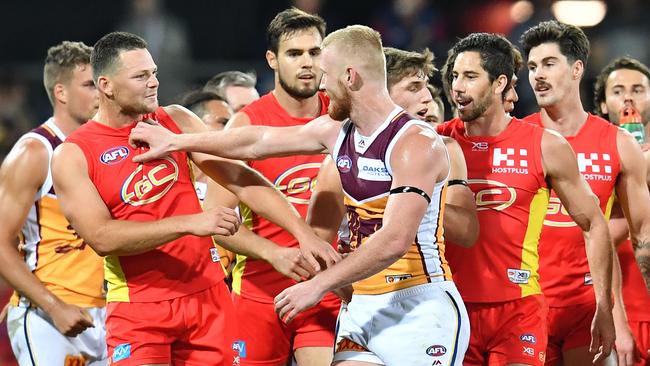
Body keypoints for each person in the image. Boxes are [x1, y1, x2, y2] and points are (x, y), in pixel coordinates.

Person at [130, 24, 471, 366]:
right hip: (361, 305)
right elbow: (256, 141)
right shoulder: (335, 131)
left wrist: (318, 284)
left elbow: (395, 239)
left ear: (350, 77)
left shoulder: (414, 143)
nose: (321, 85)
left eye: (327, 74)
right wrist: (177, 141)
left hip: (418, 306)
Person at [51, 31, 337, 366]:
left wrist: (301, 232)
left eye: (154, 72)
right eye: (140, 76)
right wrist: (191, 223)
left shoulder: (176, 120)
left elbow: (241, 178)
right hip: (140, 310)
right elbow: (101, 237)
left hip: (209, 297)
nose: (154, 82)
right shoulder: (74, 154)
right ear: (106, 85)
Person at [436, 32, 616, 365]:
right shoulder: (434, 142)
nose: (457, 87)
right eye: (454, 76)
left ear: (499, 82)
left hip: (518, 310)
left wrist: (604, 307)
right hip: (449, 306)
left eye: (470, 76)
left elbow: (593, 222)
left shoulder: (545, 145)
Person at [202, 9, 342, 366]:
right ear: (272, 60)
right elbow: (216, 220)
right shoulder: (248, 124)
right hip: (259, 294)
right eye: (294, 54)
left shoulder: (344, 118)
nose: (307, 63)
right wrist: (274, 253)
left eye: (314, 52)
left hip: (328, 290)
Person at [520, 21, 648, 366]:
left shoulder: (619, 144)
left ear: (577, 69)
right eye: (532, 67)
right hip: (523, 306)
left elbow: (642, 239)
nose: (537, 76)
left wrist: (615, 312)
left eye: (549, 64)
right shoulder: (515, 138)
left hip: (588, 308)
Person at [308, 46, 478, 251]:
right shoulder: (342, 159)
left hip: (424, 278)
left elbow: (466, 232)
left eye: (425, 86)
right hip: (359, 280)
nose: (427, 97)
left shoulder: (445, 148)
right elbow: (317, 243)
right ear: (380, 92)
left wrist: (414, 190)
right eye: (414, 87)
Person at [0, 41, 107, 365]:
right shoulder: (35, 152)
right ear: (61, 92)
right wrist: (53, 306)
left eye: (102, 83)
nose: (100, 94)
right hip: (52, 316)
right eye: (89, 85)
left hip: (109, 313)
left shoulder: (107, 147)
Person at [594, 56, 650, 365]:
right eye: (617, 91)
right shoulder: (590, 164)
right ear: (603, 104)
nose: (628, 97)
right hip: (625, 313)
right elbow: (601, 243)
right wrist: (618, 323)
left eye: (638, 89)